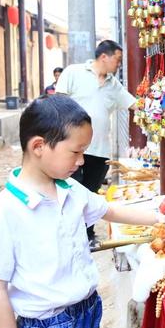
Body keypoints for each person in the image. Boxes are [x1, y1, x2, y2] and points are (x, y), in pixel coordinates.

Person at [0, 94, 165, 328]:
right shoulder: (4, 211)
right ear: (38, 147)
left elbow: (108, 210)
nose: (81, 161)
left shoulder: (71, 189)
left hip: (88, 312)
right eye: (75, 152)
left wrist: (158, 219)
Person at [56, 40, 136, 246]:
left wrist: (159, 105)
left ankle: (87, 236)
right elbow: (58, 105)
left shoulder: (113, 84)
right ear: (104, 57)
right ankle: (66, 236)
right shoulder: (73, 72)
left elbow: (133, 104)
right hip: (71, 148)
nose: (119, 65)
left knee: (90, 193)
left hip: (99, 150)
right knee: (70, 191)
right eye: (117, 60)